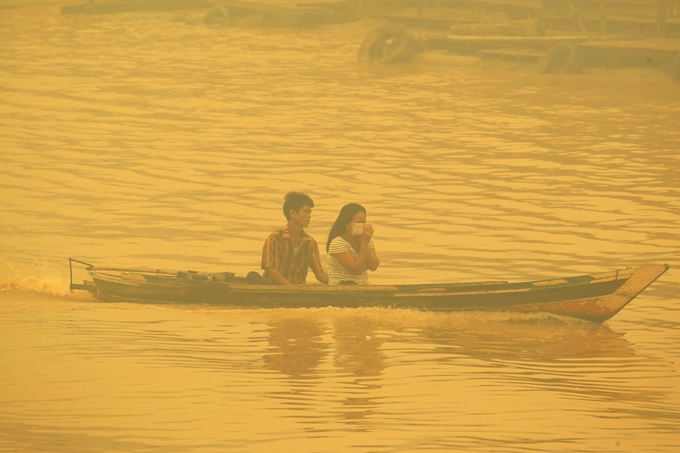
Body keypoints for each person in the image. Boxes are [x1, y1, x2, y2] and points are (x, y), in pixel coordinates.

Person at [257, 192, 329, 285]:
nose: (309, 216)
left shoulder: (310, 242)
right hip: (275, 289)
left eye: (310, 212)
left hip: (299, 291)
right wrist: (292, 288)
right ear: (292, 213)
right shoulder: (275, 238)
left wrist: (338, 282)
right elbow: (272, 272)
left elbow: (320, 274)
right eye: (306, 211)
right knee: (252, 276)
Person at [326, 203, 380, 285]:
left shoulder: (367, 239)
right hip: (340, 287)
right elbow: (356, 270)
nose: (361, 226)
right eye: (358, 223)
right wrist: (364, 244)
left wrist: (364, 242)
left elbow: (373, 266)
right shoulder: (338, 243)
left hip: (363, 286)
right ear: (347, 224)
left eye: (363, 222)